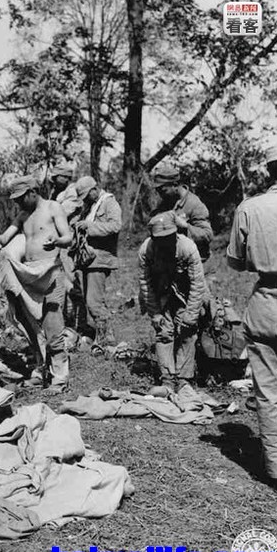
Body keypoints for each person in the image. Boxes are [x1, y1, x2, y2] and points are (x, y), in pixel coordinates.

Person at [226, 143, 277, 483]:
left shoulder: (250, 207)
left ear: (270, 171)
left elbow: (236, 261)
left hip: (265, 302)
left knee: (269, 392)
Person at [0, 176, 73, 390]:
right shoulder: (22, 215)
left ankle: (59, 377)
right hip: (28, 274)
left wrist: (57, 241)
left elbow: (68, 237)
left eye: (21, 198)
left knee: (53, 324)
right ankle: (40, 370)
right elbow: (5, 237)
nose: (18, 203)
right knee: (31, 326)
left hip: (50, 271)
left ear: (33, 192)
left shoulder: (52, 207)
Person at [138, 211, 206, 391]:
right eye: (159, 238)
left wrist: (191, 314)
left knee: (187, 331)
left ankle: (184, 378)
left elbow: (197, 284)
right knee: (163, 332)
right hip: (161, 293)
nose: (164, 242)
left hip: (185, 293)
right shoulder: (147, 250)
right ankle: (167, 378)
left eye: (168, 237)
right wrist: (155, 313)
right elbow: (145, 283)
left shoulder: (187, 247)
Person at [72, 176, 122, 344]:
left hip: (100, 259)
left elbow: (115, 226)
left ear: (94, 189)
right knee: (93, 300)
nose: (86, 199)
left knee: (94, 302)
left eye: (87, 195)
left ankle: (106, 339)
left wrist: (90, 226)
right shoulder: (90, 206)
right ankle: (101, 335)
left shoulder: (109, 203)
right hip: (89, 259)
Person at [151, 165, 213, 262]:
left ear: (175, 185)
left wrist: (185, 226)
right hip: (174, 263)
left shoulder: (194, 204)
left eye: (163, 190)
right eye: (157, 190)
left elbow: (207, 235)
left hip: (197, 263)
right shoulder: (165, 203)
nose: (159, 194)